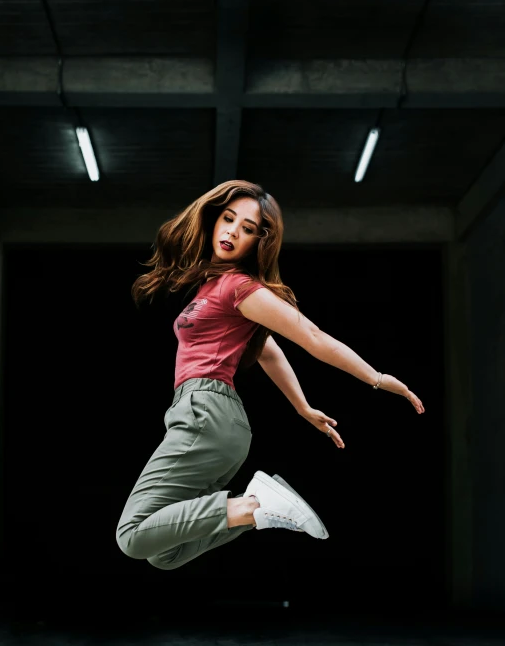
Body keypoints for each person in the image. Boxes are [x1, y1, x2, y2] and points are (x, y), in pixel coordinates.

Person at [115, 179, 425, 570]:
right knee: (163, 552)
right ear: (213, 220)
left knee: (132, 534)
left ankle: (253, 505)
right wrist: (302, 407)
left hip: (204, 413)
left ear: (258, 242)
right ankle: (257, 511)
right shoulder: (213, 286)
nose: (232, 232)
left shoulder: (238, 287)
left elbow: (311, 336)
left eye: (247, 229)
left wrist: (376, 377)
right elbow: (267, 351)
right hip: (214, 421)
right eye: (228, 219)